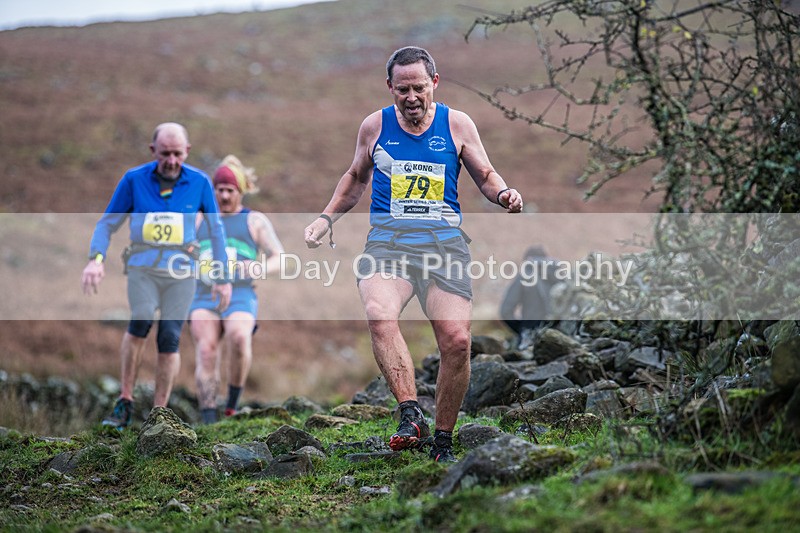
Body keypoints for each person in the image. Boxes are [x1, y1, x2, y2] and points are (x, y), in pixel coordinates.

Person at [304, 46, 523, 463]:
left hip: (443, 247)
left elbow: (486, 174)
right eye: (401, 89)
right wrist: (325, 219)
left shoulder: (457, 125)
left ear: (434, 84)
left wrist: (504, 193)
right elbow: (354, 177)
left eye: (418, 87)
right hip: (389, 244)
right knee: (378, 312)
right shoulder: (374, 126)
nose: (411, 97)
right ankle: (411, 414)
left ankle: (442, 441)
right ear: (390, 88)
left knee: (457, 342)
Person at [81, 122, 232, 430]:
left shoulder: (200, 183)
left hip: (182, 274)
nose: (172, 161)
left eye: (178, 154)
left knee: (169, 337)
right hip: (143, 270)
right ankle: (125, 401)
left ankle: (158, 414)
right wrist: (96, 259)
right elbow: (106, 223)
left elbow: (216, 232)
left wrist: (223, 276)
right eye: (165, 154)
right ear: (153, 151)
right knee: (141, 319)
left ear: (187, 151)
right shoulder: (134, 180)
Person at [189, 155, 284, 424]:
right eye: (219, 190)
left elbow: (280, 257)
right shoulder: (199, 220)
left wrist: (258, 268)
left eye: (230, 190)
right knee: (206, 350)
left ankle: (231, 405)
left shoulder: (255, 221)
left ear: (241, 191)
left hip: (241, 293)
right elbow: (182, 252)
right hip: (203, 294)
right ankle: (209, 417)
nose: (224, 196)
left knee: (239, 338)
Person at [499, 245, 556, 351]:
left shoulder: (524, 277)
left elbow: (505, 311)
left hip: (530, 336)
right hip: (559, 335)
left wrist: (521, 328)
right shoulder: (560, 276)